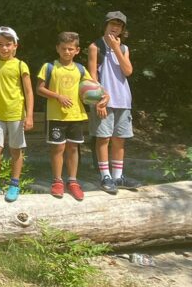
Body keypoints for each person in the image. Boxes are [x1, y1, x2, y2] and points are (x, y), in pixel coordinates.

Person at [36, 32, 108, 201]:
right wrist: (57, 96)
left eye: (70, 49)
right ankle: (57, 181)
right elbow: (39, 89)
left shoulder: (80, 69)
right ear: (57, 49)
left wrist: (105, 96)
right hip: (56, 116)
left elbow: (94, 87)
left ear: (77, 50)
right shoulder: (49, 67)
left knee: (73, 148)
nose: (67, 52)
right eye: (63, 48)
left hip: (76, 115)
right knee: (58, 149)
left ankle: (73, 181)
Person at [0, 27, 34, 202]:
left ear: (15, 46)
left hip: (16, 114)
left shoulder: (20, 65)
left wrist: (29, 116)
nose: (4, 48)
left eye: (8, 44)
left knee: (15, 150)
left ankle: (14, 185)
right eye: (0, 44)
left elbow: (29, 92)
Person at [87, 11, 138, 192]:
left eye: (119, 25)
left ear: (122, 29)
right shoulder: (95, 46)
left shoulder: (123, 48)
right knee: (103, 138)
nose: (115, 27)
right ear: (105, 25)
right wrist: (99, 99)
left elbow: (128, 71)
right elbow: (92, 76)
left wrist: (116, 48)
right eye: (112, 24)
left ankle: (118, 176)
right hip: (103, 100)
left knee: (119, 139)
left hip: (123, 100)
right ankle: (105, 176)